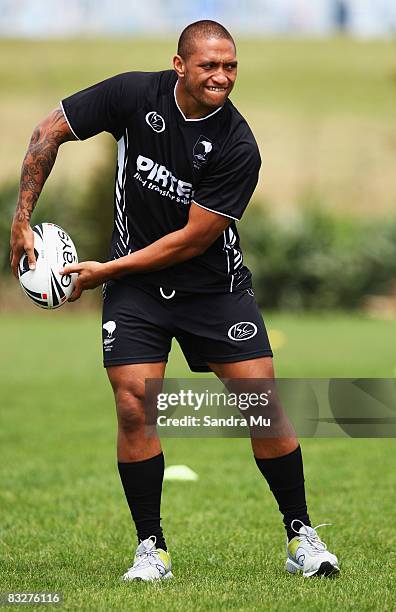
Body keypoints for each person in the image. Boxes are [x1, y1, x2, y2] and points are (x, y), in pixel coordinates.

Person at [10, 20, 339, 581]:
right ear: (179, 64)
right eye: (209, 65)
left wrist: (102, 272)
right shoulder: (135, 95)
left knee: (261, 404)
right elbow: (47, 131)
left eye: (230, 65)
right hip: (139, 293)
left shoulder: (238, 145)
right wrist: (20, 222)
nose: (222, 76)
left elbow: (190, 240)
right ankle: (151, 548)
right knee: (134, 402)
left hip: (213, 288)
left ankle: (301, 536)